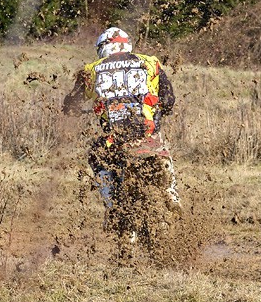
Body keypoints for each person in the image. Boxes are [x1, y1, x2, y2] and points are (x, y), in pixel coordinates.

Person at [62, 26, 180, 225]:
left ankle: (111, 205)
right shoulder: (150, 62)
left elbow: (71, 103)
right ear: (128, 45)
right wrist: (162, 109)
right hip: (146, 132)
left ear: (102, 48)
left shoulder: (91, 70)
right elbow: (169, 99)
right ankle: (172, 191)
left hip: (115, 138)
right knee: (160, 146)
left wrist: (71, 110)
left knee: (95, 155)